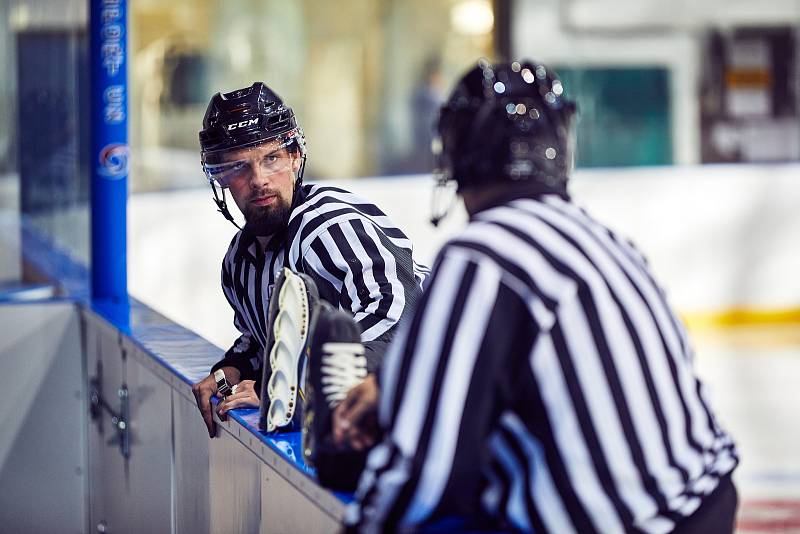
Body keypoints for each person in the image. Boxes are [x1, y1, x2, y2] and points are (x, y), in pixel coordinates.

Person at [341, 60, 739, 533]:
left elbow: (422, 471)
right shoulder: (603, 237)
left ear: (457, 152)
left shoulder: (482, 254)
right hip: (708, 506)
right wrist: (396, 391)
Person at [190, 82, 428, 441]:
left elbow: (400, 319)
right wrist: (228, 371)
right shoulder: (238, 263)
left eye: (272, 158)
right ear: (219, 177)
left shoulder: (328, 225)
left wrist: (293, 387)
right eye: (239, 167)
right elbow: (262, 340)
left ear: (296, 157)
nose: (259, 180)